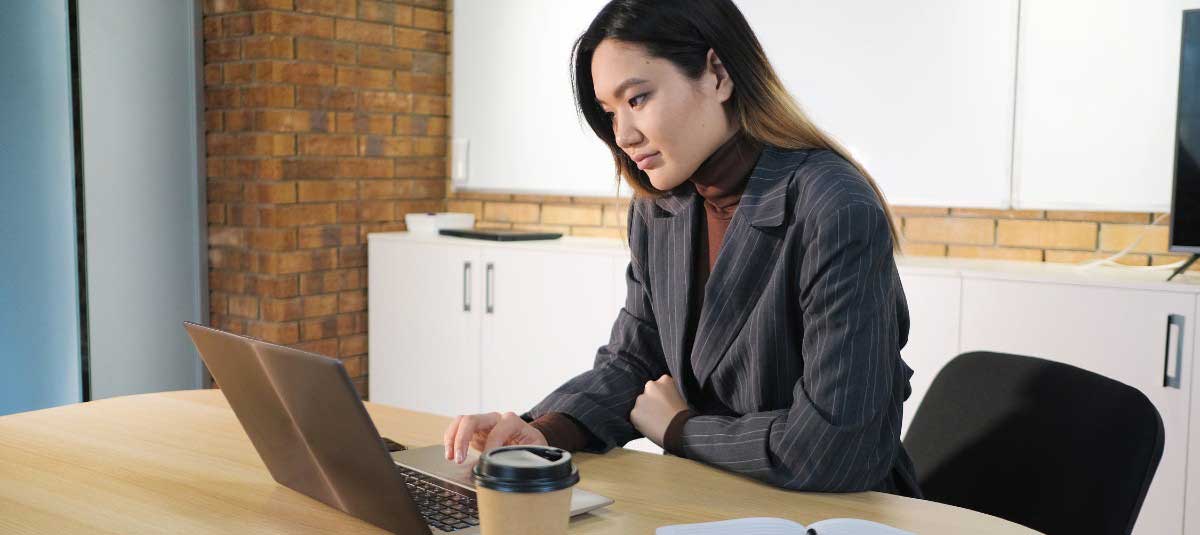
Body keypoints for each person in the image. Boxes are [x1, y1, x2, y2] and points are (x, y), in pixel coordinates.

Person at [441, 0, 921, 497]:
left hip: (837, 512)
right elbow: (634, 362)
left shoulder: (833, 205)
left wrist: (680, 429)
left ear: (717, 74)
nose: (623, 135)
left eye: (638, 98)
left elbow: (833, 448)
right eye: (609, 112)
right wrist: (543, 432)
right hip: (710, 495)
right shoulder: (659, 209)